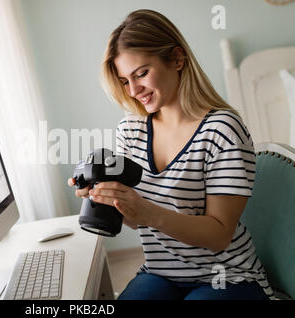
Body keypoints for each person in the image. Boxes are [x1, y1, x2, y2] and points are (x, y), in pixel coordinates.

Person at [68, 9, 274, 300]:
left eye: (141, 74)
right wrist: (107, 199)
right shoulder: (131, 129)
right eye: (125, 80)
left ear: (177, 59)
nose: (134, 90)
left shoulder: (222, 129)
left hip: (228, 277)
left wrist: (147, 212)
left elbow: (219, 235)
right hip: (161, 274)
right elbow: (139, 219)